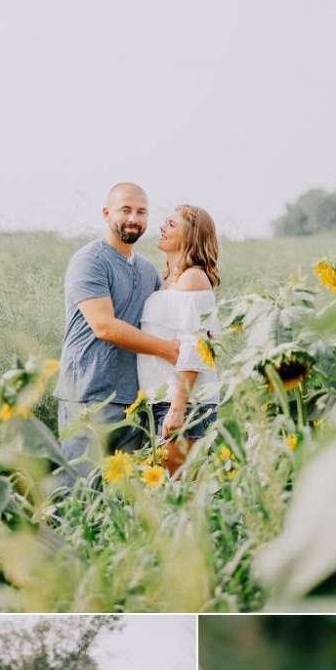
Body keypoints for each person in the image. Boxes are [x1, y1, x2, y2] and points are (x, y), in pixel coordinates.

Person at [56, 183, 203, 474]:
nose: (133, 219)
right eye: (125, 210)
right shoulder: (90, 261)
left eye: (141, 212)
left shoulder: (147, 270)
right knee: (80, 490)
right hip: (88, 398)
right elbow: (104, 327)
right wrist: (168, 351)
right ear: (106, 213)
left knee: (128, 493)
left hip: (136, 403)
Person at [136, 205, 220, 472]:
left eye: (171, 224)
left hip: (185, 404)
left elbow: (196, 348)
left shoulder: (193, 278)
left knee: (180, 490)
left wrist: (177, 409)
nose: (161, 227)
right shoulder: (169, 280)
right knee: (167, 490)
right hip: (163, 402)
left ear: (191, 235)